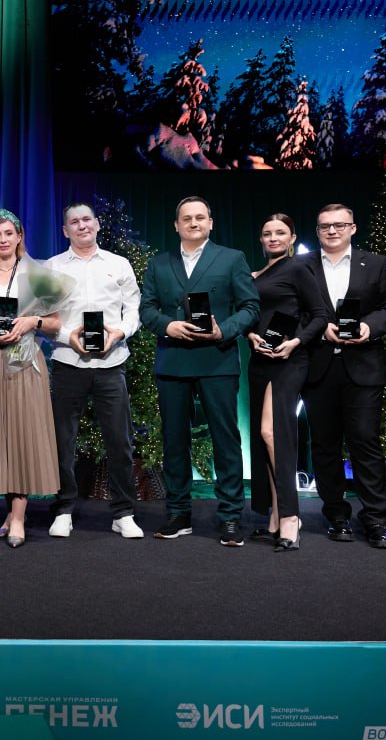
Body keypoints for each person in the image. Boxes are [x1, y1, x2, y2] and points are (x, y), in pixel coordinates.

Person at [140, 196, 259, 546]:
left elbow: (250, 307)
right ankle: (178, 513)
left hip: (217, 359)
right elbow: (146, 309)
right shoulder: (159, 263)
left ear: (210, 223)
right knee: (174, 441)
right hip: (173, 360)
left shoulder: (232, 258)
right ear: (176, 225)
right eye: (187, 218)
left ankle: (231, 516)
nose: (194, 223)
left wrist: (223, 330)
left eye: (200, 217)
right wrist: (167, 325)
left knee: (226, 440)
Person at [0, 210, 61, 548]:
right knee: (0, 434)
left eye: (8, 233)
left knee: (22, 433)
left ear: (19, 236)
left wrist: (32, 321)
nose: (3, 239)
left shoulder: (37, 273)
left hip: (25, 358)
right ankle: (11, 512)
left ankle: (18, 516)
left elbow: (56, 323)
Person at [299, 204, 386, 549]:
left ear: (353, 228)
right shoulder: (302, 266)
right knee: (324, 446)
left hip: (364, 366)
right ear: (317, 230)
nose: (332, 231)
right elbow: (293, 310)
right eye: (325, 226)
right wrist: (319, 328)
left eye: (339, 225)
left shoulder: (377, 264)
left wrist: (369, 328)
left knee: (365, 442)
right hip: (319, 367)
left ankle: (375, 520)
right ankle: (336, 516)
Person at [44, 201, 143, 540]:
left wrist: (119, 333)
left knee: (120, 441)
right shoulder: (52, 267)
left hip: (111, 364)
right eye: (74, 222)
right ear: (65, 230)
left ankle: (123, 513)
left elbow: (133, 310)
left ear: (97, 224)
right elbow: (42, 317)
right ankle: (63, 510)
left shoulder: (119, 264)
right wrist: (65, 336)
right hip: (66, 364)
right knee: (62, 441)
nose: (82, 225)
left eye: (87, 219)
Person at [244, 214, 327, 552]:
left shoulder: (298, 269)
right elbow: (251, 315)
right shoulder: (255, 274)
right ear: (261, 239)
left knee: (273, 433)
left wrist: (296, 342)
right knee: (264, 436)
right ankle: (276, 516)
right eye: (267, 233)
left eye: (280, 232)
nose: (273, 238)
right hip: (260, 359)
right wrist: (250, 335)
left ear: (292, 237)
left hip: (290, 359)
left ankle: (291, 516)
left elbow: (320, 315)